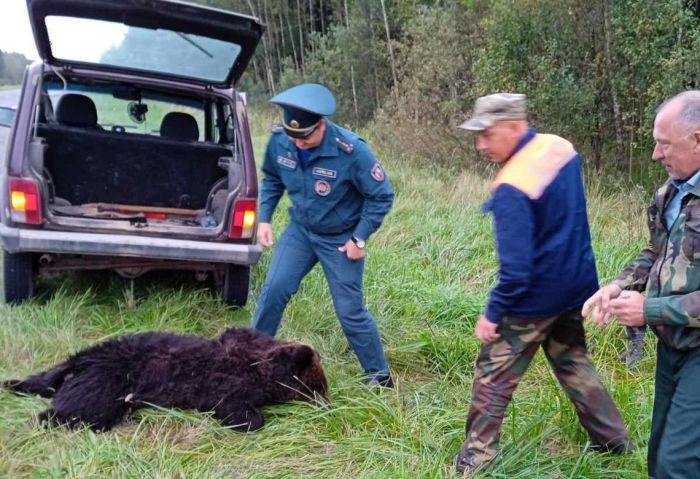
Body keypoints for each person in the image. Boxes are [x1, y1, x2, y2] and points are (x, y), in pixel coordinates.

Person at [453, 93, 631, 475]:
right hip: (575, 287)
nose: (481, 144)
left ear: (515, 126)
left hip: (530, 303)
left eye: (487, 134)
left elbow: (515, 271)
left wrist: (492, 314)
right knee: (574, 364)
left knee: (493, 378)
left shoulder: (511, 186)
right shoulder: (559, 148)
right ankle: (615, 443)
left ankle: (474, 460)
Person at [583, 90, 700, 479]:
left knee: (677, 466)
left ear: (697, 138)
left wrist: (647, 309)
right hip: (674, 345)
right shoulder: (669, 193)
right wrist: (619, 285)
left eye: (664, 144)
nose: (655, 154)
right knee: (657, 456)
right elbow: (656, 251)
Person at [252, 83, 394, 387]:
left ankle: (379, 377)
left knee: (350, 311)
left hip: (341, 238)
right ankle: (251, 360)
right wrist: (264, 219)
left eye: (305, 137)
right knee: (274, 290)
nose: (299, 144)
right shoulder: (281, 141)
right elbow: (273, 180)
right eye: (294, 137)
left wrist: (360, 238)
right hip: (301, 231)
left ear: (321, 124)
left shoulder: (352, 151)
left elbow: (381, 195)